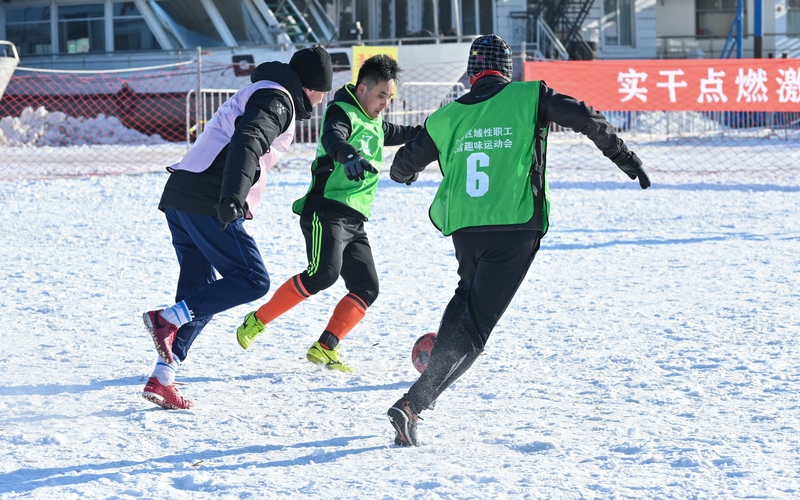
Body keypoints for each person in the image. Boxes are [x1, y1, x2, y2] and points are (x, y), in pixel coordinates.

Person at [385, 34, 651, 446]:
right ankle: (413, 405)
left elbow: (401, 166)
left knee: (465, 298)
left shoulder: (445, 117)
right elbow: (584, 116)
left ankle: (421, 394)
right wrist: (622, 155)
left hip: (466, 229)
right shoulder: (530, 97)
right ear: (507, 71)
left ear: (473, 73)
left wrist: (410, 174)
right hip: (514, 226)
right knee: (475, 331)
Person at [141, 47, 334, 410]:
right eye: (324, 90)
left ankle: (163, 376)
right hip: (208, 198)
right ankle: (167, 318)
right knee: (251, 278)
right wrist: (233, 197)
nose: (323, 99)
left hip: (183, 194)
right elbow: (248, 141)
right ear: (313, 88)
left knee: (202, 294)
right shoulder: (279, 100)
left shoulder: (266, 90)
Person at [235, 54, 421, 372]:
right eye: (381, 96)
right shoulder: (342, 111)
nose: (385, 104)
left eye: (389, 98)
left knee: (367, 288)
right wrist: (347, 154)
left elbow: (405, 133)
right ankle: (257, 320)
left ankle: (325, 347)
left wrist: (429, 141)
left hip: (355, 220)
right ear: (362, 88)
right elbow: (333, 137)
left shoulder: (375, 122)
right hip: (326, 212)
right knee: (323, 274)